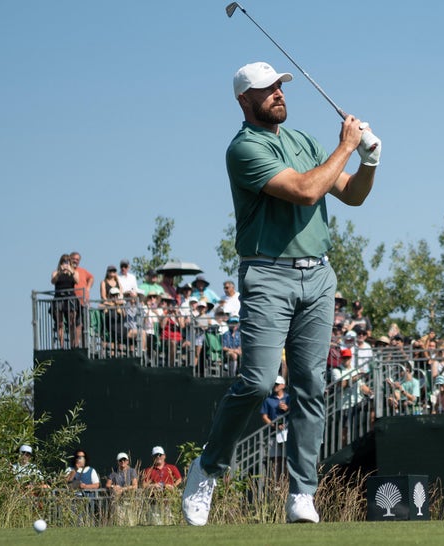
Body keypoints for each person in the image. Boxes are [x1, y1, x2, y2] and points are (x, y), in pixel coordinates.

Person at [182, 61, 380, 526]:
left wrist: (368, 161)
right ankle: (208, 469)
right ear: (243, 100)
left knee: (311, 386)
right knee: (256, 380)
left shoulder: (305, 141)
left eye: (279, 86)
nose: (276, 93)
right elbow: (307, 191)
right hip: (268, 275)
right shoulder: (243, 149)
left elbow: (351, 194)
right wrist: (347, 146)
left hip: (319, 276)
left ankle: (302, 494)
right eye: (264, 89)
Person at [260, 375, 291, 478]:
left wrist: (287, 408)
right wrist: (274, 426)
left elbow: (295, 413)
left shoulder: (289, 398)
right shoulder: (268, 399)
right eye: (274, 384)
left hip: (287, 433)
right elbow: (264, 416)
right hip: (273, 433)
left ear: (283, 385)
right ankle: (277, 482)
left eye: (277, 384)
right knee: (276, 459)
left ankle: (286, 482)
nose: (275, 386)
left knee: (287, 458)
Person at [50, 254, 79, 348]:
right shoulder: (56, 272)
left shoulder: (74, 272)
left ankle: (72, 345)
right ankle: (62, 345)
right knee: (60, 323)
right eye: (64, 261)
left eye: (67, 261)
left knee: (71, 322)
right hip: (58, 299)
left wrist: (70, 270)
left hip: (70, 299)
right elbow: (53, 281)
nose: (65, 263)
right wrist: (59, 273)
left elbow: (77, 281)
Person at [106, 452, 138, 526]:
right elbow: (108, 485)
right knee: (119, 521)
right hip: (118, 501)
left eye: (124, 460)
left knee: (130, 521)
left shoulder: (132, 471)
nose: (123, 462)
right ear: (118, 462)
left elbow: (135, 485)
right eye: (121, 460)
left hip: (129, 500)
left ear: (127, 461)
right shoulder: (113, 472)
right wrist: (114, 487)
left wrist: (123, 489)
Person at [70, 251, 94, 347]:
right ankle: (74, 345)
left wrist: (88, 288)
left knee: (83, 324)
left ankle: (84, 346)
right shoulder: (67, 270)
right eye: (74, 259)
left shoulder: (82, 270)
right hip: (72, 301)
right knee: (74, 323)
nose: (75, 261)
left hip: (83, 301)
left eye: (77, 259)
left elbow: (91, 277)